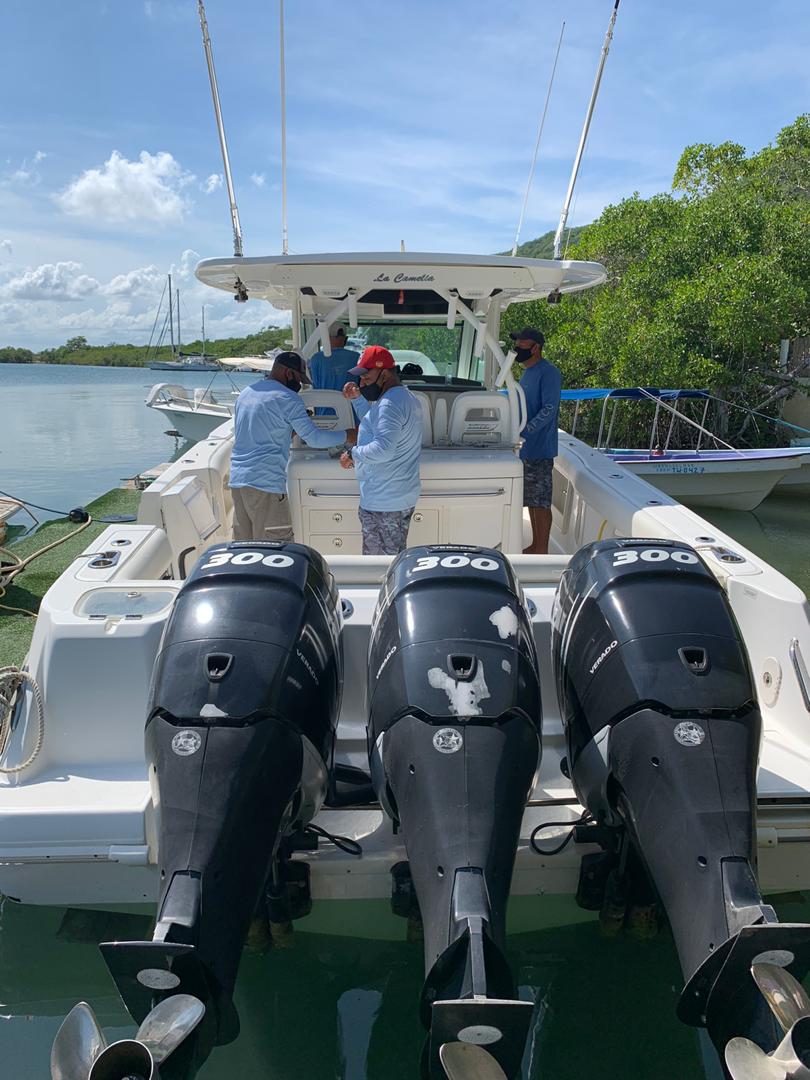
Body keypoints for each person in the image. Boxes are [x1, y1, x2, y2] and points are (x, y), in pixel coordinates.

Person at [229, 351, 349, 542]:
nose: (299, 385)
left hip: (238, 482)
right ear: (288, 373)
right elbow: (315, 439)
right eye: (299, 379)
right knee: (275, 548)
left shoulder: (246, 394)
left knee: (245, 547)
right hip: (266, 484)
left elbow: (258, 434)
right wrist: (348, 434)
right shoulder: (287, 397)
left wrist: (292, 430)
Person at [339, 346, 422, 555]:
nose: (362, 383)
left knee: (378, 565)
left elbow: (383, 449)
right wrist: (357, 399)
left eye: (366, 377)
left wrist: (352, 454)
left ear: (384, 374)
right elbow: (376, 422)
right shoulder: (404, 397)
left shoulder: (389, 404)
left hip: (384, 502)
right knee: (392, 558)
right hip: (395, 498)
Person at [511, 327, 562, 555]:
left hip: (540, 448)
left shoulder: (548, 372)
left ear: (536, 347)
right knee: (532, 499)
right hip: (525, 448)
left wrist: (526, 430)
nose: (517, 347)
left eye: (522, 343)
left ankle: (542, 548)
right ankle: (535, 544)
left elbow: (549, 408)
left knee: (540, 501)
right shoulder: (527, 372)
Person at [308, 323, 361, 392]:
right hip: (348, 399)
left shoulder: (315, 358)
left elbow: (312, 382)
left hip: (321, 398)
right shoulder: (356, 357)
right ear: (346, 339)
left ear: (327, 338)